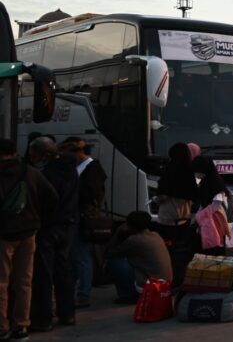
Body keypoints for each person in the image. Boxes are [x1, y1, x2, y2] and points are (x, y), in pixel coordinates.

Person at [1, 137, 59, 341]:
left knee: (2, 282)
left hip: (3, 234)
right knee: (24, 281)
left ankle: (2, 326)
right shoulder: (31, 172)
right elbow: (52, 198)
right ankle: (21, 325)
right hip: (29, 233)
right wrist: (37, 219)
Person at [30, 137, 77, 332]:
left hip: (49, 227)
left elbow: (46, 200)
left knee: (44, 274)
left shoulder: (46, 173)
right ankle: (67, 313)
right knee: (63, 271)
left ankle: (44, 318)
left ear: (43, 154)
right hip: (67, 226)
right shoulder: (71, 169)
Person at [103, 212, 172, 305]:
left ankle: (127, 295)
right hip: (165, 284)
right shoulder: (156, 235)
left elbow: (107, 253)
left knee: (115, 261)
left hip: (150, 286)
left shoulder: (134, 240)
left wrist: (117, 232)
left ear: (131, 226)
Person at [153, 142, 198, 287]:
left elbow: (163, 195)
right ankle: (183, 278)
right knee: (182, 251)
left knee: (169, 251)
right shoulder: (190, 170)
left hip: (168, 217)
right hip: (184, 217)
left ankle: (170, 279)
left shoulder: (169, 169)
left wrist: (155, 199)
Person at [68, 137, 104, 310]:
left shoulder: (92, 169)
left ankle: (83, 294)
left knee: (82, 257)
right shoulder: (82, 168)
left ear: (79, 152)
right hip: (78, 217)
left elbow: (89, 194)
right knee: (77, 257)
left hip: (83, 218)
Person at [190, 155, 230, 256]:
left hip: (215, 219)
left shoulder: (216, 181)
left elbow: (217, 202)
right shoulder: (204, 181)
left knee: (215, 248)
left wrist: (200, 215)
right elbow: (203, 201)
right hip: (206, 220)